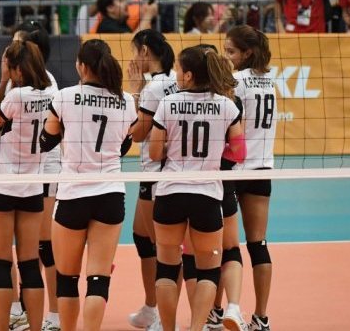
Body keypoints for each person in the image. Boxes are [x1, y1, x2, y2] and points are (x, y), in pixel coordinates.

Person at [40, 39, 137, 331]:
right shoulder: (127, 100)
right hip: (109, 194)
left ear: (82, 66)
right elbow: (123, 146)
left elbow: (46, 141)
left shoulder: (64, 97)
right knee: (98, 278)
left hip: (72, 194)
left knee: (67, 278)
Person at [148, 45, 245, 331]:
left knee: (166, 269)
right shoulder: (227, 105)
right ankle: (196, 328)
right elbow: (239, 154)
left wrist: (173, 151)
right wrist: (213, 155)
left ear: (189, 75)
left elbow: (154, 153)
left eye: (178, 69)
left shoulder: (168, 103)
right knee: (208, 271)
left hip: (170, 193)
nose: (176, 73)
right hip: (206, 195)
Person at [0, 39, 56, 331]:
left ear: (16, 68)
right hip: (33, 187)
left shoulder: (15, 96)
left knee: (0, 262)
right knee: (28, 263)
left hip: (2, 185)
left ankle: (1, 327)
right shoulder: (52, 94)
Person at [223, 25, 276, 331]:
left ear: (247, 53)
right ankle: (262, 317)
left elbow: (235, 128)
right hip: (262, 168)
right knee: (259, 244)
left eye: (230, 51)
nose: (226, 56)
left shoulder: (237, 81)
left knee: (222, 247)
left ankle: (218, 310)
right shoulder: (270, 80)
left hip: (234, 169)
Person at [125, 29, 177, 330]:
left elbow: (138, 133)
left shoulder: (154, 87)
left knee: (162, 248)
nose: (133, 59)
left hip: (157, 172)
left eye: (135, 52)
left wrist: (134, 90)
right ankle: (151, 306)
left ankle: (162, 315)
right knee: (143, 238)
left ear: (145, 51)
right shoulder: (173, 78)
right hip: (162, 170)